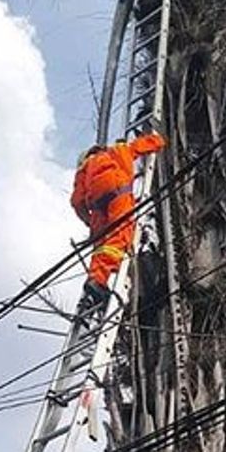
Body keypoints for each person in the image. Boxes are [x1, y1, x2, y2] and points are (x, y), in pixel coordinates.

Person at [70, 132, 166, 319]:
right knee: (119, 237)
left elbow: (77, 201)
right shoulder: (116, 150)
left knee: (100, 247)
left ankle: (97, 281)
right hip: (117, 193)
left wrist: (88, 220)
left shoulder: (83, 171)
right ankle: (97, 282)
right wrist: (159, 140)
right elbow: (138, 146)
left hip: (97, 207)